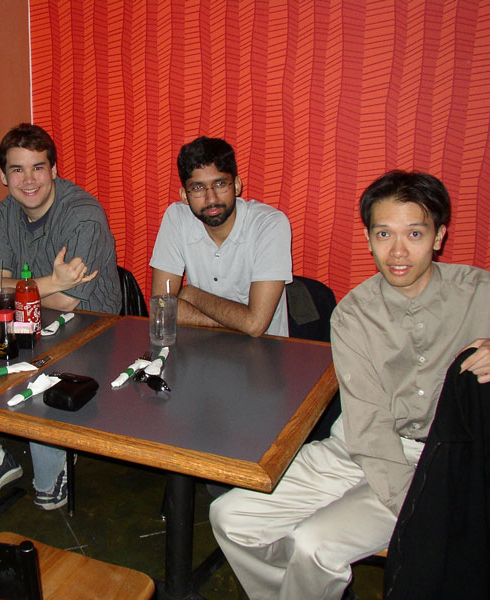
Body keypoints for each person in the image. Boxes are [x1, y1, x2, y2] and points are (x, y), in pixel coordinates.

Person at [209, 170, 490, 599]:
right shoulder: (355, 314)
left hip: (442, 459)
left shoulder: (478, 293)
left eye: (415, 233)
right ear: (368, 238)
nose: (398, 251)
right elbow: (369, 428)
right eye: (384, 234)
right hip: (358, 446)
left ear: (439, 236)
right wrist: (417, 508)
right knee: (230, 517)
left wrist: (430, 508)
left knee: (314, 546)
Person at [0, 123, 122, 510]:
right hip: (29, 323)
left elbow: (69, 302)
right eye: (17, 169)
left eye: (38, 167)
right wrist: (52, 282)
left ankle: (56, 467)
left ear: (54, 169)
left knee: (42, 370)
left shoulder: (84, 215)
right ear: (3, 176)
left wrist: (25, 291)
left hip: (93, 330)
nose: (29, 180)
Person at [150, 136, 292, 337]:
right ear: (184, 196)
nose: (211, 198)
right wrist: (239, 323)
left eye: (220, 184)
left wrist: (192, 295)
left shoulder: (269, 224)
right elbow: (161, 310)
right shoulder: (177, 217)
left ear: (236, 186)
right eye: (198, 188)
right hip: (199, 346)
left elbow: (255, 325)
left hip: (262, 349)